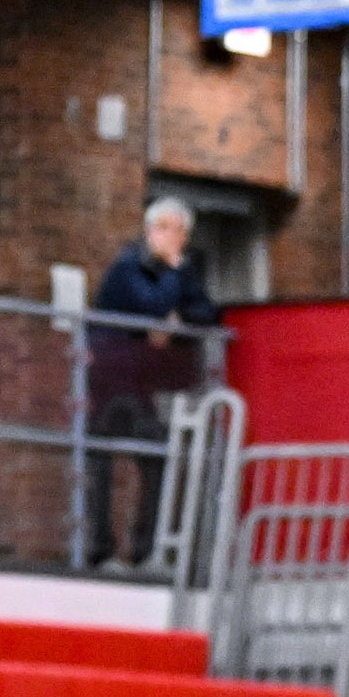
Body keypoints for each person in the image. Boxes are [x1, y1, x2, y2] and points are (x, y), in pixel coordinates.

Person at [85, 196, 219, 570]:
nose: (171, 237)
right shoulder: (128, 266)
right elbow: (151, 303)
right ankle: (100, 551)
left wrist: (176, 319)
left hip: (145, 384)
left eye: (178, 231)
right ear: (148, 231)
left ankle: (147, 551)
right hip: (111, 381)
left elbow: (207, 312)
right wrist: (172, 285)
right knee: (101, 460)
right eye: (163, 228)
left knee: (156, 459)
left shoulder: (181, 270)